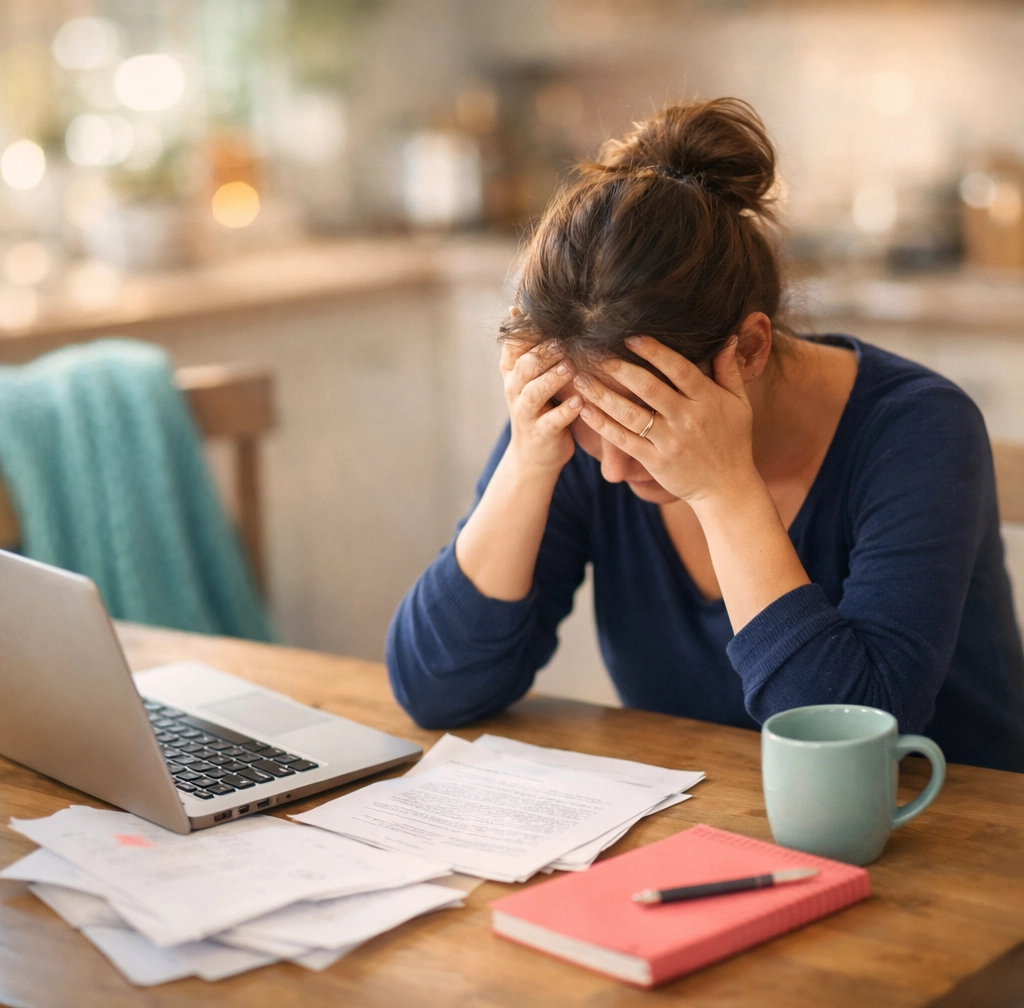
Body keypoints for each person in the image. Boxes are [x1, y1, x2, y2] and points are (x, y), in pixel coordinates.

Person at [386, 97, 1024, 773]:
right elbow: (435, 692)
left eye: (643, 424)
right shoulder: (579, 425)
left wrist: (724, 492)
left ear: (749, 348)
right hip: (710, 825)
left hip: (951, 839)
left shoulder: (919, 429)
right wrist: (527, 461)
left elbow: (852, 740)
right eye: (586, 423)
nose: (608, 469)